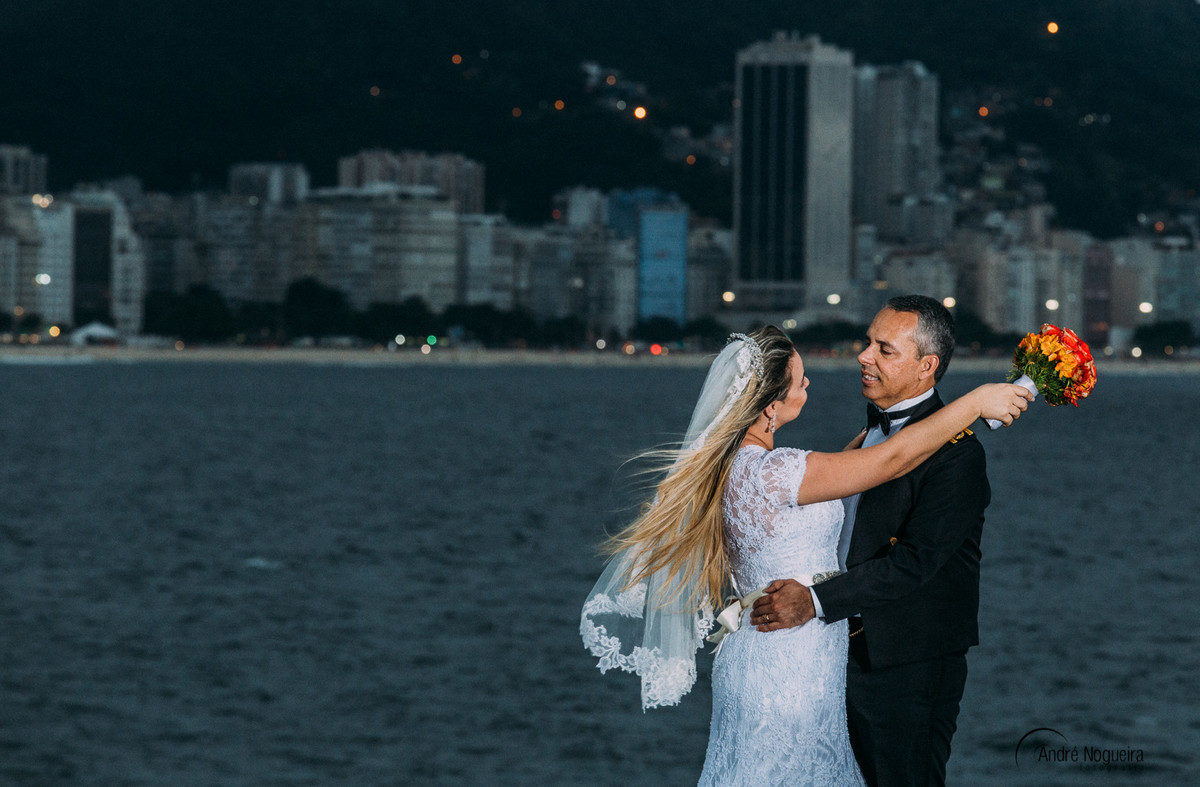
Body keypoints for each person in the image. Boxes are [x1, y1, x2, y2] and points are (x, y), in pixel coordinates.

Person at [580, 321, 1031, 785]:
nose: (814, 381)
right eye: (800, 379)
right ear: (772, 407)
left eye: (883, 348)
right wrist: (975, 402)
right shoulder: (779, 469)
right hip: (793, 662)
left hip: (764, 653)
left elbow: (846, 495)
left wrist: (861, 444)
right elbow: (890, 461)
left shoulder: (732, 466)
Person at [749, 295, 998, 786]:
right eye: (868, 343)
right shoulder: (868, 437)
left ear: (927, 366)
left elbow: (914, 563)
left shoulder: (958, 457)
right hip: (835, 652)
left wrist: (813, 602)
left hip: (906, 666)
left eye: (884, 349)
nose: (864, 356)